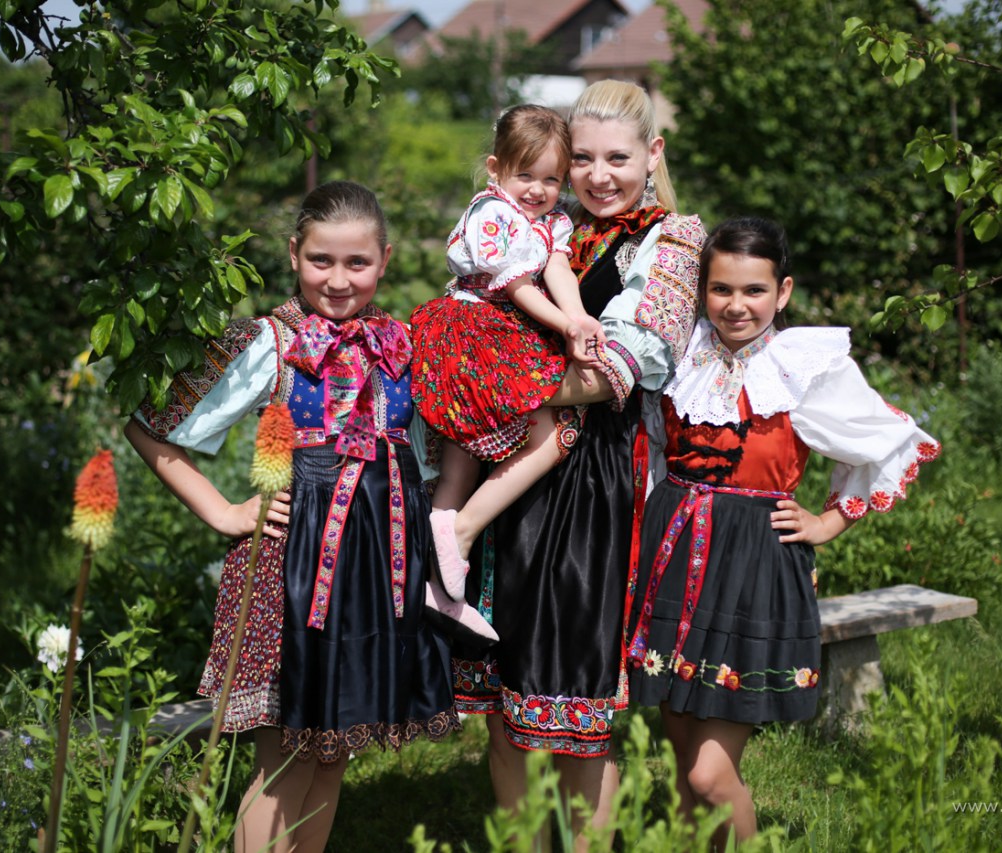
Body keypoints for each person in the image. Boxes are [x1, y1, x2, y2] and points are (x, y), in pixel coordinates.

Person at [124, 181, 462, 853]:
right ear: (293, 255)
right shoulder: (270, 342)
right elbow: (150, 428)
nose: (337, 280)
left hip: (376, 567)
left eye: (357, 263)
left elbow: (432, 452)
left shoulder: (402, 345)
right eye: (320, 260)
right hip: (293, 566)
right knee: (285, 758)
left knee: (332, 752)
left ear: (385, 260)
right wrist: (224, 510)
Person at [625, 216, 941, 845]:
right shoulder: (681, 350)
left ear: (783, 291)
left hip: (754, 567)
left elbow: (888, 441)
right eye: (721, 289)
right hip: (672, 552)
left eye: (754, 290)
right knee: (685, 765)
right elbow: (652, 445)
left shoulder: (801, 365)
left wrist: (830, 520)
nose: (735, 305)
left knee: (711, 775)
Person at [450, 80, 707, 848]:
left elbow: (632, 359)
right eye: (582, 159)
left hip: (595, 482)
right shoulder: (540, 218)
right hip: (506, 467)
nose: (598, 176)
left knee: (573, 715)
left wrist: (495, 384)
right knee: (504, 708)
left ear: (652, 154)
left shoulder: (671, 239)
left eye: (617, 158)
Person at [411, 103, 605, 602]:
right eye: (526, 175)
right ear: (495, 169)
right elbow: (517, 286)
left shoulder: (552, 220)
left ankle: (439, 577)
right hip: (472, 330)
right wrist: (566, 325)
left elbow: (557, 269)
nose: (538, 190)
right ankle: (452, 543)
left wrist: (579, 317)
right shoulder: (493, 212)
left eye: (552, 179)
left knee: (465, 455)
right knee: (548, 436)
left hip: (499, 331)